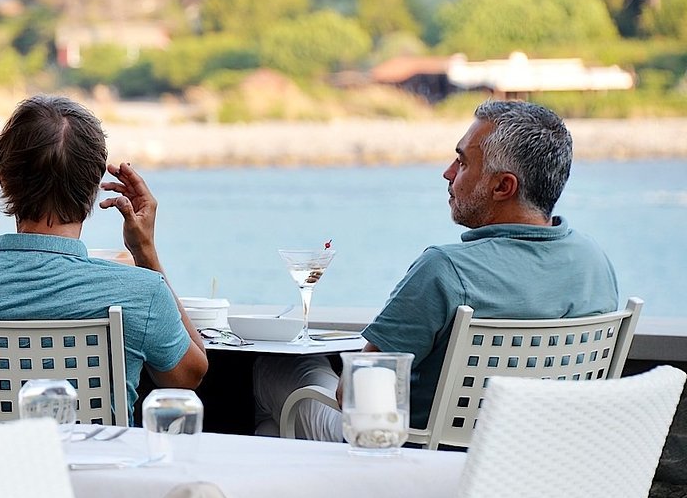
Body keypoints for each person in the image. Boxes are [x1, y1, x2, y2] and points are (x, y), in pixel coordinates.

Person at [254, 99, 619, 440]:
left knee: (277, 372)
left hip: (410, 454)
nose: (447, 173)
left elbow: (358, 394)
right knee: (272, 429)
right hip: (530, 455)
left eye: (461, 162)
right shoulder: (594, 261)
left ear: (502, 186)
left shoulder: (446, 270)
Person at [0, 94, 208, 418]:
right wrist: (145, 252)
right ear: (94, 188)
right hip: (92, 468)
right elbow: (189, 376)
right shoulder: (141, 293)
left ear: (3, 178)